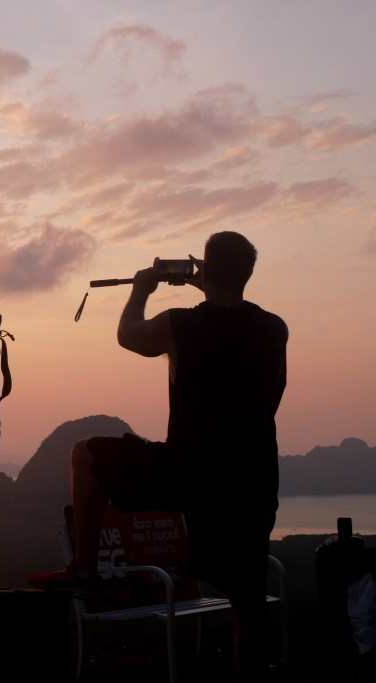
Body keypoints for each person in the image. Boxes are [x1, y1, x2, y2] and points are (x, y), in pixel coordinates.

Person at [68, 231, 288, 676]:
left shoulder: (180, 324)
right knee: (248, 604)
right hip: (252, 477)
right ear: (247, 273)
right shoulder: (273, 328)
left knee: (86, 455)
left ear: (204, 268)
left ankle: (85, 571)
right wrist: (213, 286)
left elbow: (130, 335)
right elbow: (273, 394)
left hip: (187, 469)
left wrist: (139, 291)